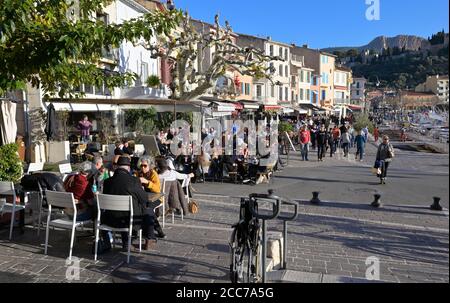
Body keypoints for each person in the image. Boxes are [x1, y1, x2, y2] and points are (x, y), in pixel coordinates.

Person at [101, 156, 158, 251]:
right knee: (148, 211)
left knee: (123, 210)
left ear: (117, 167)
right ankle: (148, 239)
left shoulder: (107, 182)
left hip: (110, 220)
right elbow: (144, 199)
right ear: (128, 168)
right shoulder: (134, 181)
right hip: (130, 220)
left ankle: (108, 243)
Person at [136, 155, 166, 239]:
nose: (143, 168)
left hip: (156, 197)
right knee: (144, 207)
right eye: (141, 165)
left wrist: (147, 182)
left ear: (149, 166)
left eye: (145, 166)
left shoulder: (153, 174)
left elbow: (157, 190)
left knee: (147, 208)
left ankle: (153, 231)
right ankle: (158, 230)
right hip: (145, 198)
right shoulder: (138, 173)